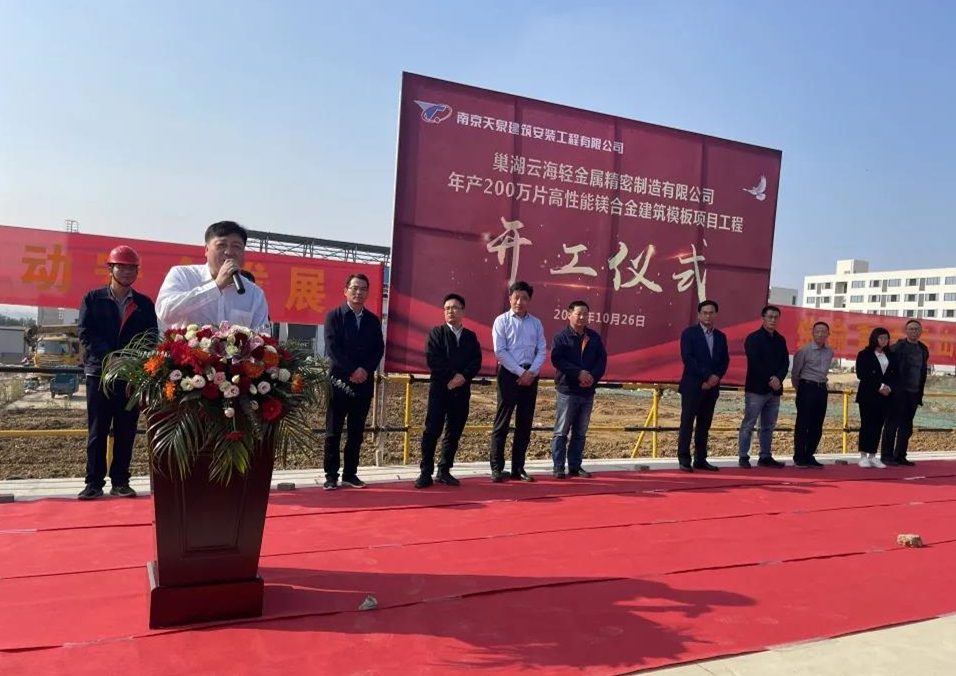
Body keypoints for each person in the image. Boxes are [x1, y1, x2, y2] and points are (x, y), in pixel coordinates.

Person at [76, 245, 158, 500]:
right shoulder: (93, 299)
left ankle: (121, 481)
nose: (126, 272)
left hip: (130, 377)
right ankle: (93, 483)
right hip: (99, 374)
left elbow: (151, 337)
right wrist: (110, 357)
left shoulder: (144, 304)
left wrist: (131, 362)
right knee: (97, 430)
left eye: (132, 268)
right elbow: (86, 333)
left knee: (126, 429)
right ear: (110, 269)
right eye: (121, 267)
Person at [322, 273, 385, 490]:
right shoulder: (334, 316)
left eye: (363, 289)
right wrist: (352, 370)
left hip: (363, 383)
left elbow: (378, 349)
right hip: (339, 382)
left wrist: (364, 370)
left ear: (368, 293)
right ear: (346, 291)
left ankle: (350, 474)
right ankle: (331, 475)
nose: (359, 292)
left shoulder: (372, 321)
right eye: (355, 288)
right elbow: (332, 348)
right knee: (333, 431)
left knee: (356, 432)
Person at [414, 294, 482, 489]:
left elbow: (476, 361)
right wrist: (452, 377)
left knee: (454, 431)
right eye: (447, 308)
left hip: (462, 390)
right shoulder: (437, 333)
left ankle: (444, 470)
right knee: (432, 430)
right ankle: (425, 472)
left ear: (463, 311)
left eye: (454, 307)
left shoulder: (470, 337)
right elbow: (433, 359)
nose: (450, 311)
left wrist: (462, 377)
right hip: (440, 389)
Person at [155, 221, 269, 329]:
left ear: (243, 253)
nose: (229, 252)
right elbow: (165, 314)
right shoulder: (183, 275)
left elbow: (263, 335)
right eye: (221, 245)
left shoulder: (254, 293)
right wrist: (216, 285)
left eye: (236, 246)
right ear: (206, 250)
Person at [489, 281, 547, 483]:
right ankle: (497, 468)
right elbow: (500, 351)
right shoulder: (501, 321)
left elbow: (542, 350)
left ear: (529, 300)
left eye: (524, 298)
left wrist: (531, 372)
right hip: (508, 375)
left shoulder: (536, 323)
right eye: (516, 297)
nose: (519, 302)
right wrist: (520, 372)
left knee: (524, 423)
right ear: (510, 298)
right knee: (502, 422)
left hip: (530, 376)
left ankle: (518, 467)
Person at [550, 300, 607, 479]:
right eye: (578, 313)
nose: (582, 317)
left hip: (587, 391)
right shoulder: (561, 337)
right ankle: (558, 467)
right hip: (567, 390)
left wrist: (592, 377)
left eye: (585, 314)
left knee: (580, 432)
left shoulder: (594, 337)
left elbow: (601, 361)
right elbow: (557, 360)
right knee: (561, 431)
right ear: (569, 315)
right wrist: (578, 373)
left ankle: (575, 465)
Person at [677, 300, 730, 472]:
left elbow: (724, 361)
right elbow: (688, 358)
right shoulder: (689, 333)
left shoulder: (721, 336)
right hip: (693, 386)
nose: (708, 316)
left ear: (716, 315)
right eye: (705, 313)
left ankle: (700, 459)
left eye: (711, 313)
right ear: (699, 315)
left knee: (704, 425)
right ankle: (684, 459)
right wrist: (707, 377)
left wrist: (716, 378)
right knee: (687, 423)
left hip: (712, 388)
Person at [738, 305, 789, 468]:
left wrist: (779, 378)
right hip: (756, 389)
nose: (773, 320)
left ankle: (765, 456)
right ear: (763, 318)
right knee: (749, 424)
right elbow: (755, 363)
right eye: (770, 317)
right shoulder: (753, 338)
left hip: (775, 390)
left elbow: (785, 362)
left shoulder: (780, 340)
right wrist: (770, 379)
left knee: (768, 426)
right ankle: (743, 456)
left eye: (776, 317)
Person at [881, 320, 930, 467]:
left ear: (920, 332)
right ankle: (887, 456)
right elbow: (887, 367)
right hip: (898, 392)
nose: (914, 332)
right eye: (911, 329)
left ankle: (900, 455)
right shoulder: (897, 347)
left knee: (907, 426)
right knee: (892, 424)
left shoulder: (923, 349)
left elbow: (922, 371)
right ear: (906, 331)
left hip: (914, 393)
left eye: (916, 329)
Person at [790, 322, 834, 468]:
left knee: (817, 424)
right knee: (803, 423)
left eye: (823, 332)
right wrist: (801, 389)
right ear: (812, 333)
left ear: (828, 334)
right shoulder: (804, 351)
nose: (820, 334)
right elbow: (795, 374)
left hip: (822, 389)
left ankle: (809, 455)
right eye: (817, 332)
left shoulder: (829, 351)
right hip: (807, 387)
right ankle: (799, 457)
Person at [855, 327, 896, 469]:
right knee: (867, 424)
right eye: (881, 338)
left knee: (878, 425)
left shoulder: (890, 355)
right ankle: (863, 456)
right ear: (874, 338)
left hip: (885, 395)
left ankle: (872, 455)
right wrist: (879, 386)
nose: (884, 340)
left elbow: (895, 374)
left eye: (886, 338)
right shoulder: (864, 354)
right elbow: (862, 374)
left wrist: (889, 387)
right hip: (868, 394)